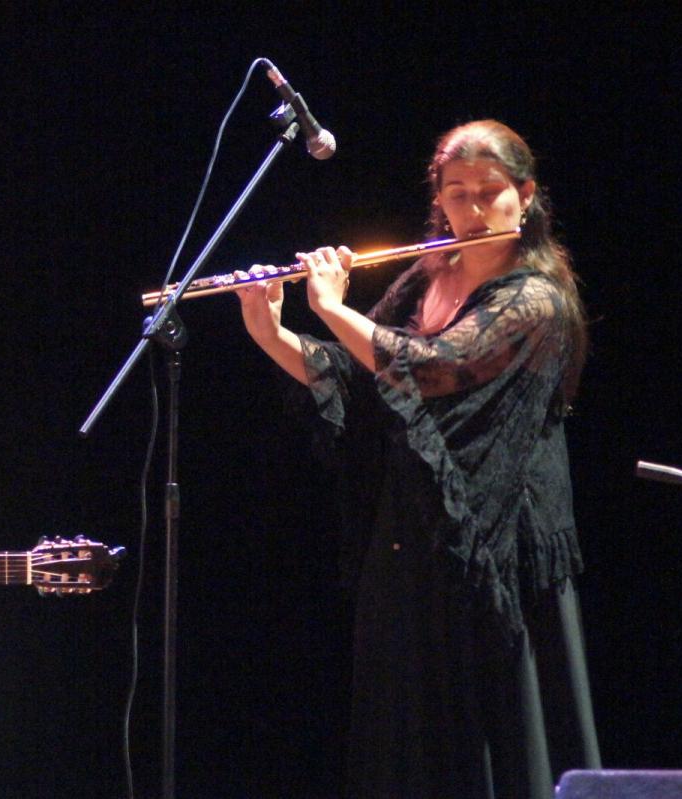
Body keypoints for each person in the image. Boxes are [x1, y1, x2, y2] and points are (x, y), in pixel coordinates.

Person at [236, 120, 600, 798]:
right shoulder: (428, 275)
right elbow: (366, 379)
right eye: (457, 194)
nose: (474, 209)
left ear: (524, 197)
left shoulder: (537, 301)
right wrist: (272, 331)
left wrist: (331, 306)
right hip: (413, 533)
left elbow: (431, 368)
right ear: (440, 201)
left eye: (490, 192)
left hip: (494, 549)